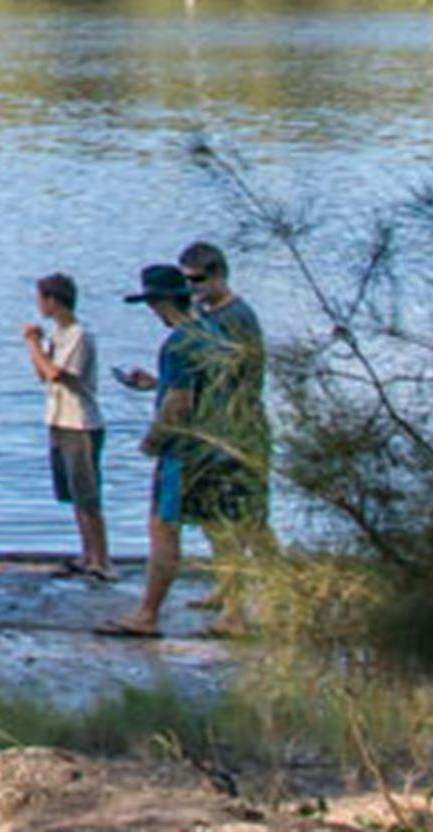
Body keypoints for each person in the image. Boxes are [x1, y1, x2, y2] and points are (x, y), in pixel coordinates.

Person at [97, 264, 212, 639]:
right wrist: (156, 384)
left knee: (163, 528)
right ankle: (236, 611)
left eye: (151, 304)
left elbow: (178, 403)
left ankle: (147, 614)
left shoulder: (177, 343)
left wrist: (153, 440)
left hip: (182, 449)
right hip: (213, 443)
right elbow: (198, 388)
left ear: (162, 302)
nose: (152, 313)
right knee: (220, 525)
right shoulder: (207, 333)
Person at [179, 240, 276, 622]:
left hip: (240, 430)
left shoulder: (237, 317)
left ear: (219, 275)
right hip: (210, 431)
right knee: (212, 518)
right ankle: (225, 586)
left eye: (198, 280)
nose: (192, 289)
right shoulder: (205, 315)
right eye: (185, 281)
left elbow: (235, 375)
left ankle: (267, 596)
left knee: (249, 521)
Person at [21, 272, 113, 582]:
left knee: (88, 495)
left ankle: (102, 559)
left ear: (53, 301)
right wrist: (38, 347)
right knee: (73, 494)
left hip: (80, 423)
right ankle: (87, 554)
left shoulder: (78, 335)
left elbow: (57, 374)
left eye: (41, 299)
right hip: (59, 419)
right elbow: (41, 373)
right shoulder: (58, 336)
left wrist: (33, 343)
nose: (38, 306)